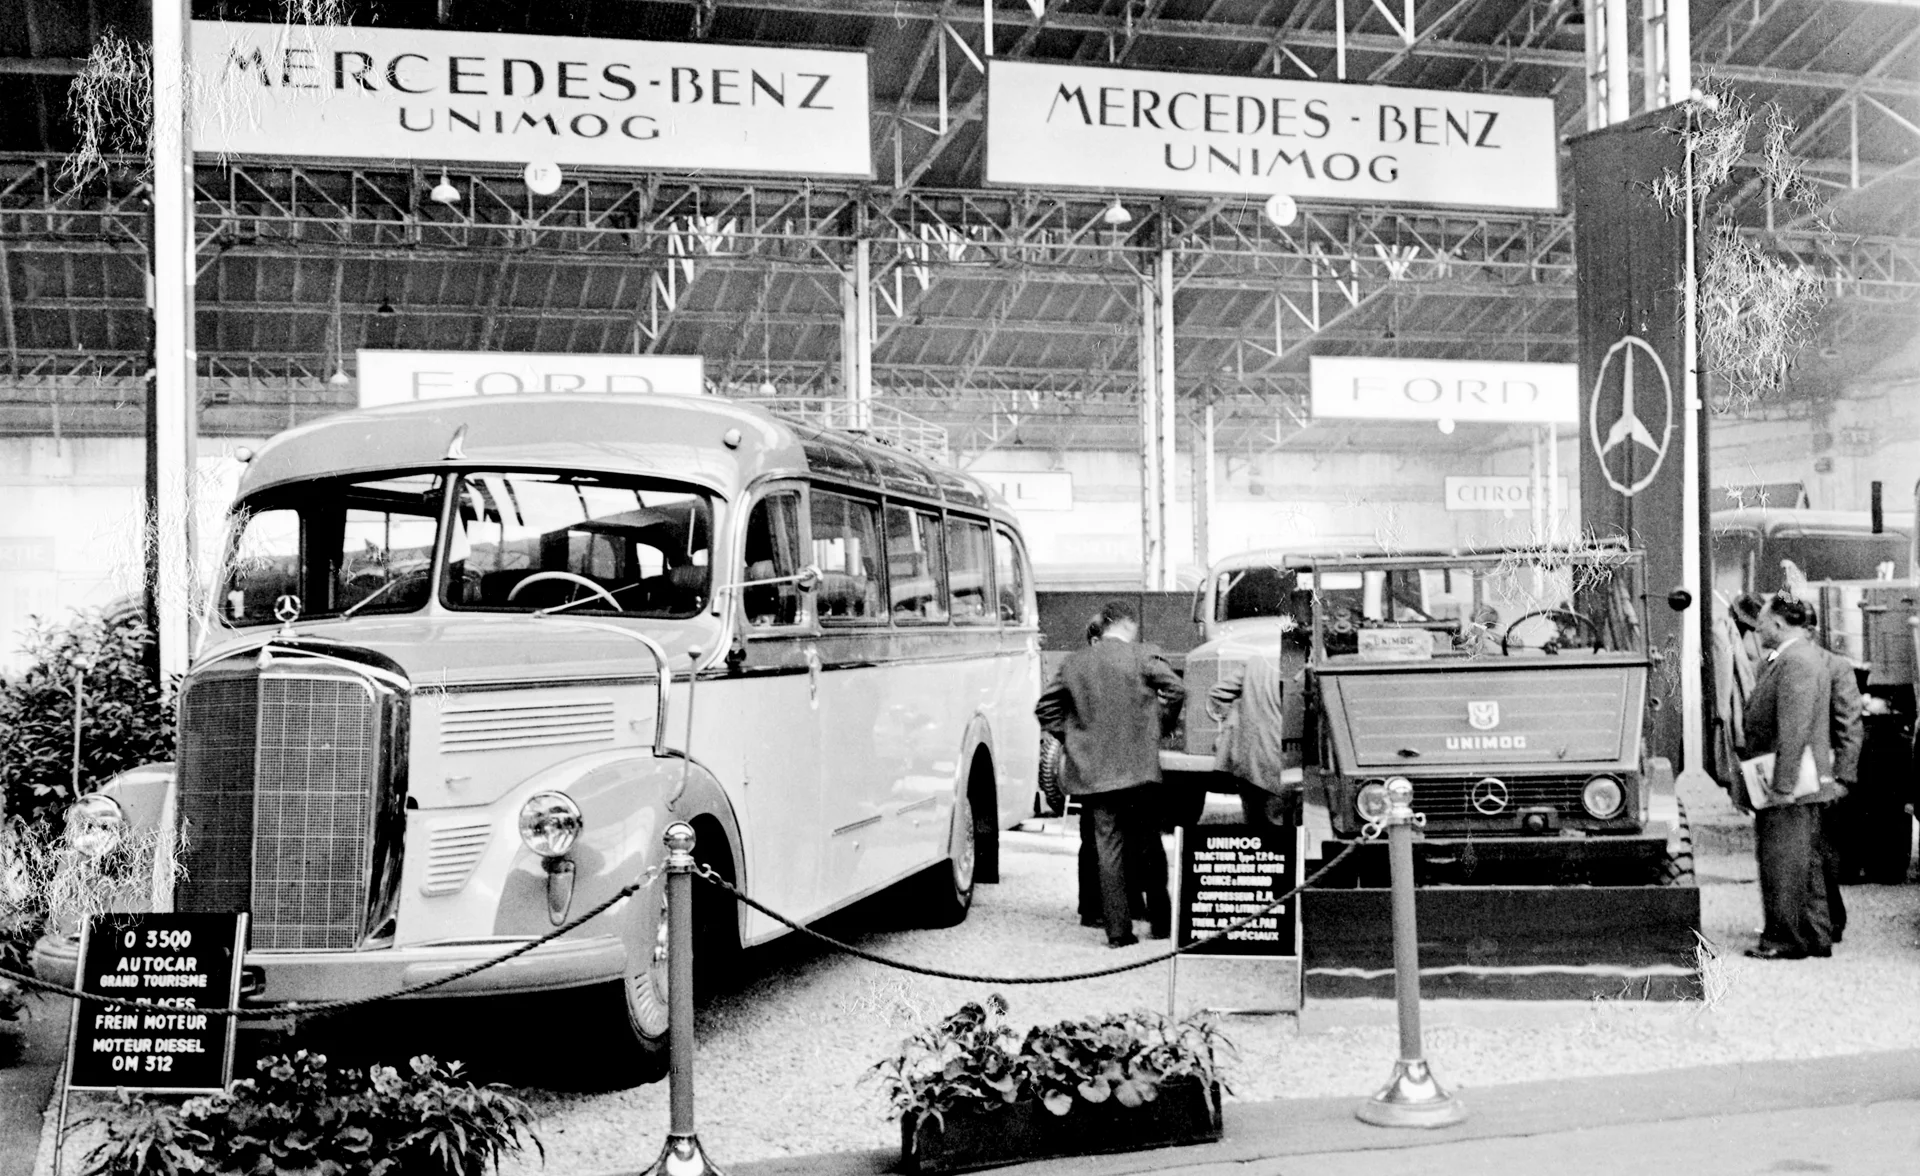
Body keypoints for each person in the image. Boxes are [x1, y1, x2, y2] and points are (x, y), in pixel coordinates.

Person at [1035, 600, 1185, 946]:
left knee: (1108, 848)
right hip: (1139, 769)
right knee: (1150, 845)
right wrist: (1160, 725)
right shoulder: (1144, 656)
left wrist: (1074, 737)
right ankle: (1161, 923)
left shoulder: (1075, 663)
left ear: (1103, 626)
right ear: (1129, 626)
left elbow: (1045, 708)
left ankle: (1118, 933)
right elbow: (1177, 689)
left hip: (1095, 774)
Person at [1739, 594, 1836, 960]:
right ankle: (1814, 936)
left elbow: (1793, 729)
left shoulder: (1795, 661)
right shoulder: (1796, 657)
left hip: (1791, 784)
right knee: (1804, 862)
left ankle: (1786, 939)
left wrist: (1781, 786)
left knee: (1782, 861)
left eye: (1762, 622)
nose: (1757, 627)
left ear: (1779, 625)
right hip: (1800, 781)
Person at [1796, 602, 1863, 944]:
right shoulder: (1785, 661)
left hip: (1825, 777)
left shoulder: (1836, 667)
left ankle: (1832, 920)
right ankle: (1818, 919)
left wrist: (1844, 778)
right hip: (1797, 776)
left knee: (1824, 851)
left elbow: (1850, 726)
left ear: (1810, 631)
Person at [1208, 637, 1296, 828]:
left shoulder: (1255, 662)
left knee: (1254, 829)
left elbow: (1218, 692)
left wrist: (1234, 721)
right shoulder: (1301, 667)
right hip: (1282, 763)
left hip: (1249, 762)